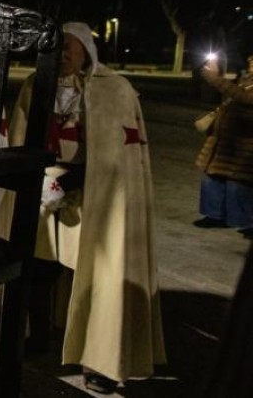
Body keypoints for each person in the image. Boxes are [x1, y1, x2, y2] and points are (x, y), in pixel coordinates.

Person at [17, 22, 165, 393]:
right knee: (38, 267)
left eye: (70, 47)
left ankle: (98, 358)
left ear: (86, 51)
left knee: (99, 274)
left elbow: (114, 156)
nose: (63, 54)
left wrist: (70, 182)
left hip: (93, 194)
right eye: (56, 47)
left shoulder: (114, 90)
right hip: (41, 189)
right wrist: (38, 181)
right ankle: (37, 336)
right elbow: (19, 137)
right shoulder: (36, 85)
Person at [192, 52, 253, 238]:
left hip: (245, 143)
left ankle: (246, 221)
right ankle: (214, 215)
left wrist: (214, 78)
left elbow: (245, 99)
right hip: (225, 141)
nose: (250, 61)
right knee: (213, 177)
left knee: (239, 183)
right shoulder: (245, 80)